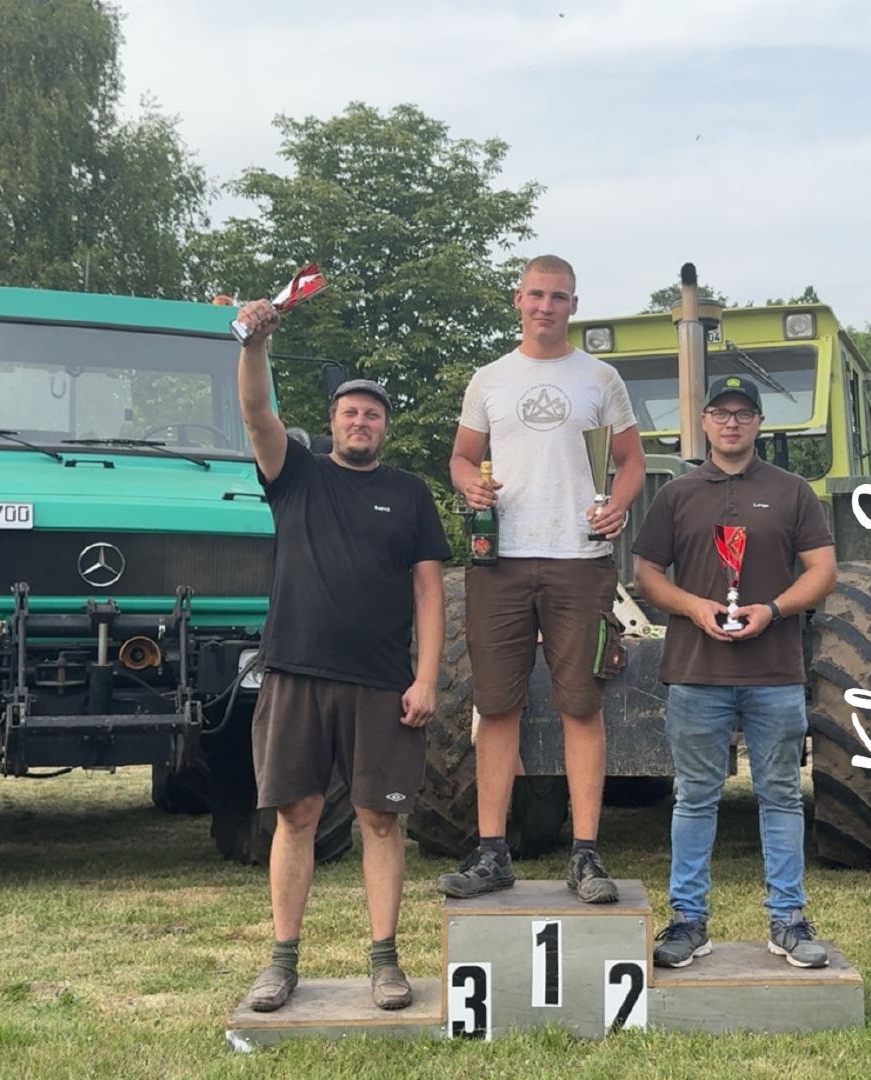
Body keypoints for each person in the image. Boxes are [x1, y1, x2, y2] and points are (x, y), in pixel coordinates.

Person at [232, 298, 450, 1012]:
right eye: (351, 412)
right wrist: (255, 346)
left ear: (386, 427)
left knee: (380, 821)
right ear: (332, 421)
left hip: (383, 683)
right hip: (295, 671)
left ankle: (386, 962)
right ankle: (281, 962)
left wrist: (426, 677)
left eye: (373, 415)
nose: (361, 422)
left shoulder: (409, 494)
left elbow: (429, 592)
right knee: (295, 817)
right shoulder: (295, 472)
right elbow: (257, 413)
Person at [437, 254, 646, 904]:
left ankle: (585, 854)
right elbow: (462, 457)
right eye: (536, 295)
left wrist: (619, 505)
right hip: (499, 560)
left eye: (558, 297)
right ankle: (492, 852)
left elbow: (631, 462)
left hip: (579, 561)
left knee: (580, 705)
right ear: (518, 300)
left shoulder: (601, 378)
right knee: (497, 706)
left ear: (573, 305)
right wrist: (470, 485)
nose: (546, 306)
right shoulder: (490, 379)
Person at [630, 374, 838, 969]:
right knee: (694, 798)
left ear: (759, 424)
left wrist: (772, 609)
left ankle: (788, 920)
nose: (731, 423)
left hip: (776, 672)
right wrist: (694, 607)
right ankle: (688, 921)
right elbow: (647, 574)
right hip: (697, 672)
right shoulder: (677, 495)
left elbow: (823, 570)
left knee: (781, 796)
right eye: (721, 413)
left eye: (743, 413)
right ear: (703, 422)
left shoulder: (792, 491)